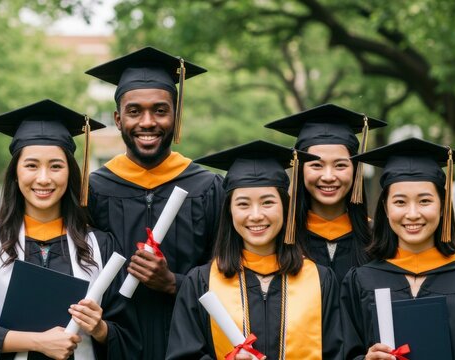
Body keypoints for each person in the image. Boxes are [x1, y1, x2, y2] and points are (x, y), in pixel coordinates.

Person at [0, 99, 140, 360]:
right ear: (15, 173)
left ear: (70, 173)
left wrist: (100, 328)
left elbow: (130, 336)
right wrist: (39, 342)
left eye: (56, 166)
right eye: (31, 165)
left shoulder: (100, 246)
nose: (44, 178)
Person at [85, 46, 225, 359]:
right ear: (118, 120)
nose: (147, 122)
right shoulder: (92, 190)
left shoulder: (208, 187)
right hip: (115, 346)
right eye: (134, 112)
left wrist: (174, 282)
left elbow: (230, 275)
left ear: (176, 116)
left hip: (193, 345)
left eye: (160, 110)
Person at [166, 140, 342, 359]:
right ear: (229, 212)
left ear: (286, 208)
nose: (256, 215)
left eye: (268, 202)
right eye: (243, 204)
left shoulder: (320, 280)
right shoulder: (201, 282)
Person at [340, 138, 455, 360]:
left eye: (424, 201)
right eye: (400, 202)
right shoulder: (360, 281)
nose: (412, 214)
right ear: (386, 207)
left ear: (442, 206)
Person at [265, 104, 386, 282]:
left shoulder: (378, 237)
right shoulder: (281, 240)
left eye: (340, 165)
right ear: (300, 170)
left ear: (356, 170)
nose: (328, 177)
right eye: (316, 165)